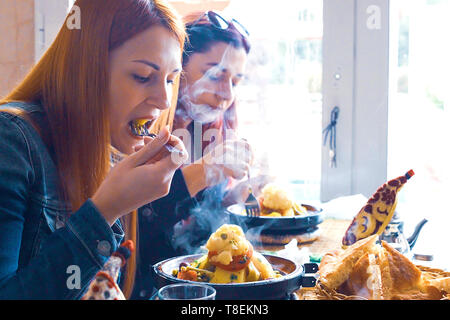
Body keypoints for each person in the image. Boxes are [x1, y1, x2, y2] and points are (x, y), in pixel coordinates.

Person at [0, 0, 188, 299]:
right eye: (142, 76)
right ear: (85, 69)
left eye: (170, 79)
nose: (164, 100)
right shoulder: (11, 141)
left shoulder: (109, 146)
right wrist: (104, 212)